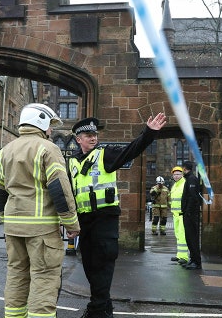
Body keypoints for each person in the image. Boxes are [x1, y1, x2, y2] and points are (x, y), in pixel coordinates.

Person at [68, 113, 167, 318]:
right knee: (89, 266)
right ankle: (104, 307)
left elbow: (131, 150)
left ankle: (97, 310)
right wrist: (69, 221)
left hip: (105, 219)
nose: (93, 138)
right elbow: (70, 193)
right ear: (79, 139)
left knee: (103, 264)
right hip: (84, 221)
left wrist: (148, 133)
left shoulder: (106, 154)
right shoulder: (72, 162)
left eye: (95, 134)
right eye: (88, 135)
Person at [0, 103, 80, 318]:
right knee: (44, 278)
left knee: (16, 275)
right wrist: (71, 223)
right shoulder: (48, 149)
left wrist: (7, 217)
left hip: (13, 228)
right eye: (49, 125)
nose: (51, 131)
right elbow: (60, 189)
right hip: (41, 230)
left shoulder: (4, 151)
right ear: (40, 122)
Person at [180, 161, 204, 270]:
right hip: (188, 213)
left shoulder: (192, 179)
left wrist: (188, 211)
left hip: (191, 214)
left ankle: (196, 262)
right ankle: (193, 259)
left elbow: (193, 197)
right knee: (189, 238)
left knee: (193, 238)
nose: (182, 171)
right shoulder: (189, 179)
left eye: (182, 169)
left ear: (185, 169)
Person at [168, 166, 188, 265]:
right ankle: (179, 255)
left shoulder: (184, 183)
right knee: (178, 235)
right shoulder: (175, 185)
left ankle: (184, 257)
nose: (176, 176)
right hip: (176, 215)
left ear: (182, 174)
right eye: (175, 174)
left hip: (182, 214)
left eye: (178, 174)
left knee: (182, 235)